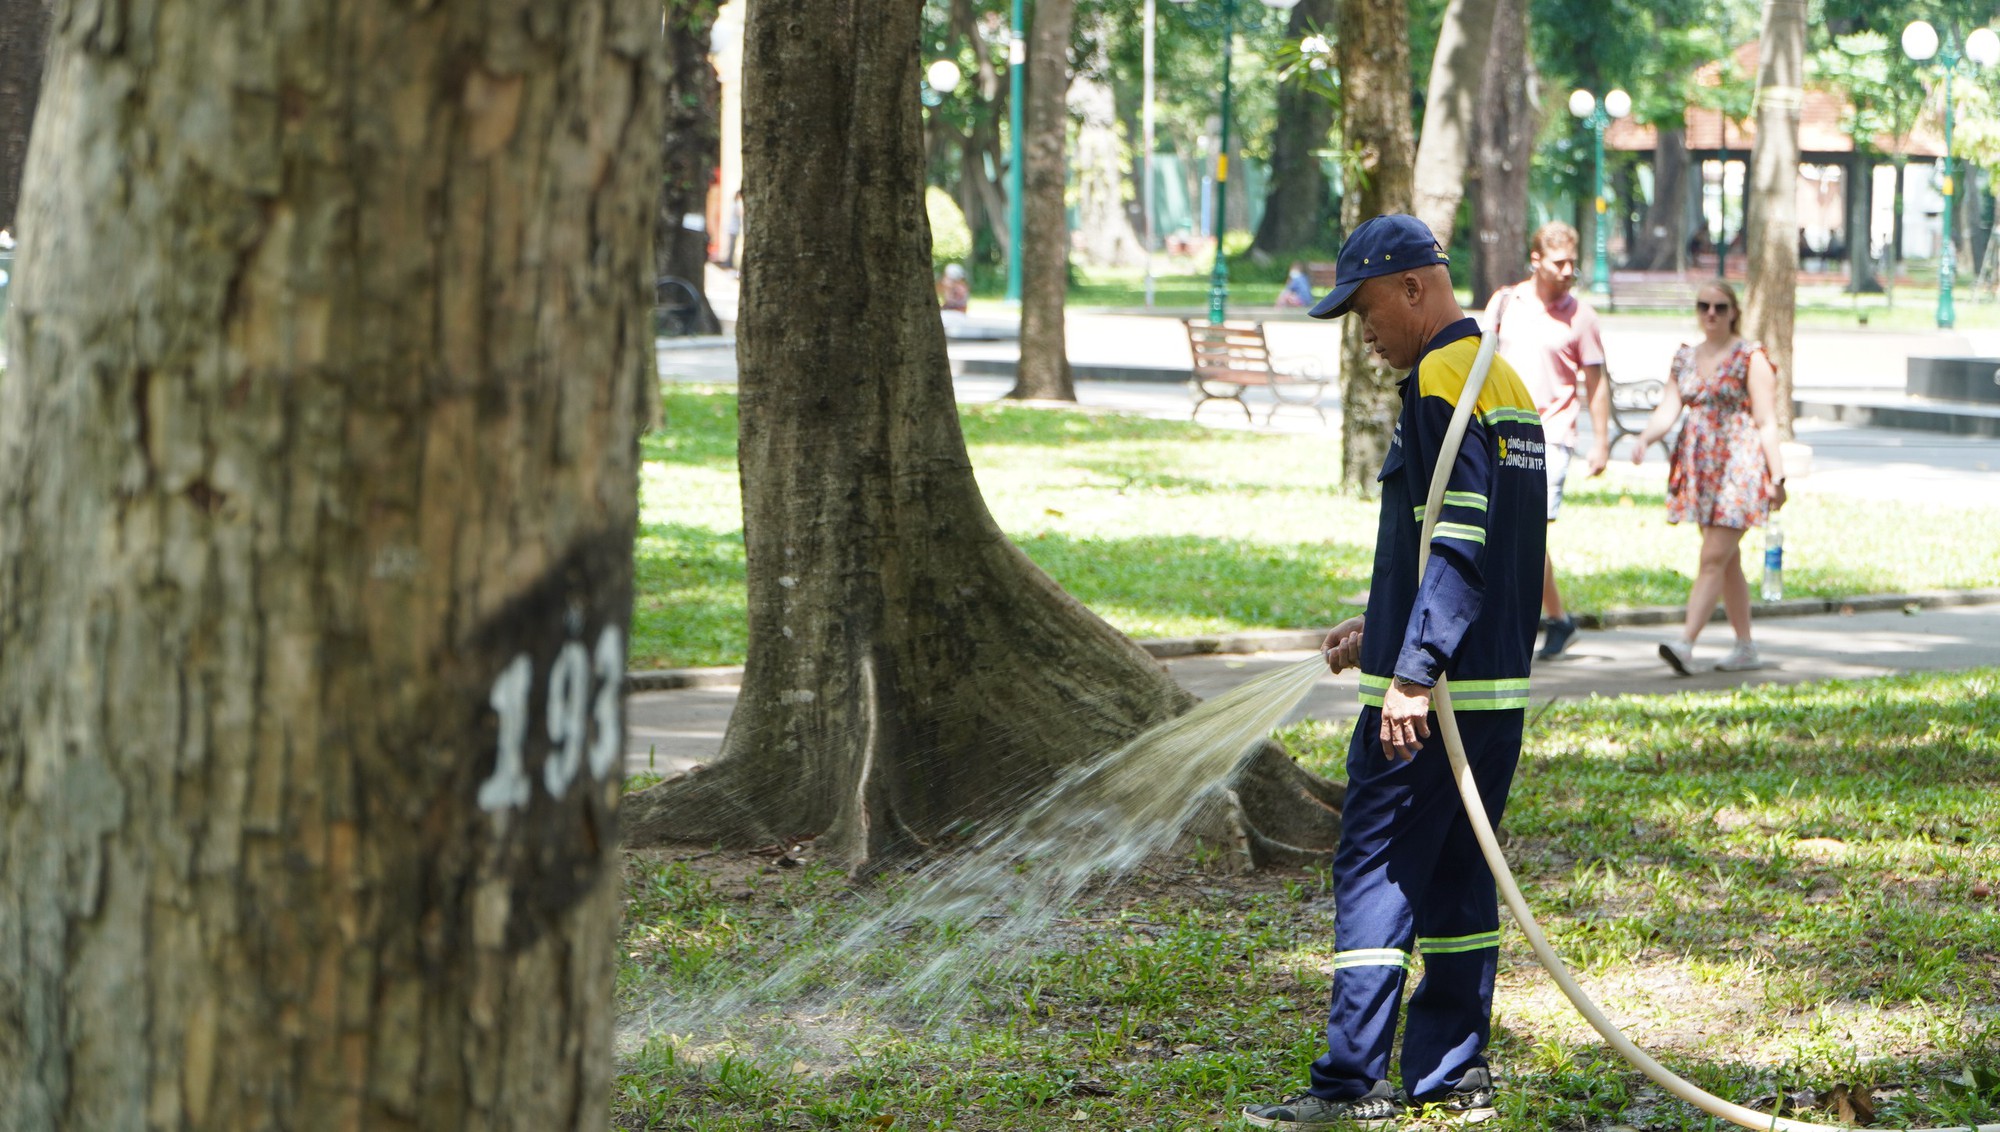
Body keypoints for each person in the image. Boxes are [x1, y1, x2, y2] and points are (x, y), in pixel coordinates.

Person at [1241, 214, 1546, 1129]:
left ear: (1414, 288)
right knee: (1457, 875)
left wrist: (1410, 673)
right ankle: (1452, 1071)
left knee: (1373, 868)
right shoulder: (1505, 384)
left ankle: (1348, 1083)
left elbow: (1459, 535)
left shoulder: (1441, 380)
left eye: (1366, 309)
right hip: (1490, 695)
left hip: (1436, 696)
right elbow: (1469, 547)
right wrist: (1379, 629)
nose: (1362, 332)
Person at [1630, 281, 1786, 674]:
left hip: (1740, 467)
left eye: (1719, 307)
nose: (1711, 314)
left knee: (1713, 557)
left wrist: (1778, 476)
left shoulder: (1750, 357)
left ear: (1733, 311)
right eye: (1703, 306)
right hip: (1702, 471)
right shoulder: (1684, 357)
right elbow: (1669, 407)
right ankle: (1745, 646)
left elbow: (1767, 421)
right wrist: (1646, 438)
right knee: (1727, 562)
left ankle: (1685, 644)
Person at [1482, 221, 1609, 661]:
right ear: (1536, 261)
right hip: (1500, 430)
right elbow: (1482, 360)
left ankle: (1524, 621)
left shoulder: (1582, 316)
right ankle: (1556, 619)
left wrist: (1601, 442)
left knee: (1527, 531)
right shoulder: (1505, 303)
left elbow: (1596, 383)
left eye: (1574, 262)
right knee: (1510, 530)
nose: (1569, 270)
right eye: (1560, 262)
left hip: (1551, 436)